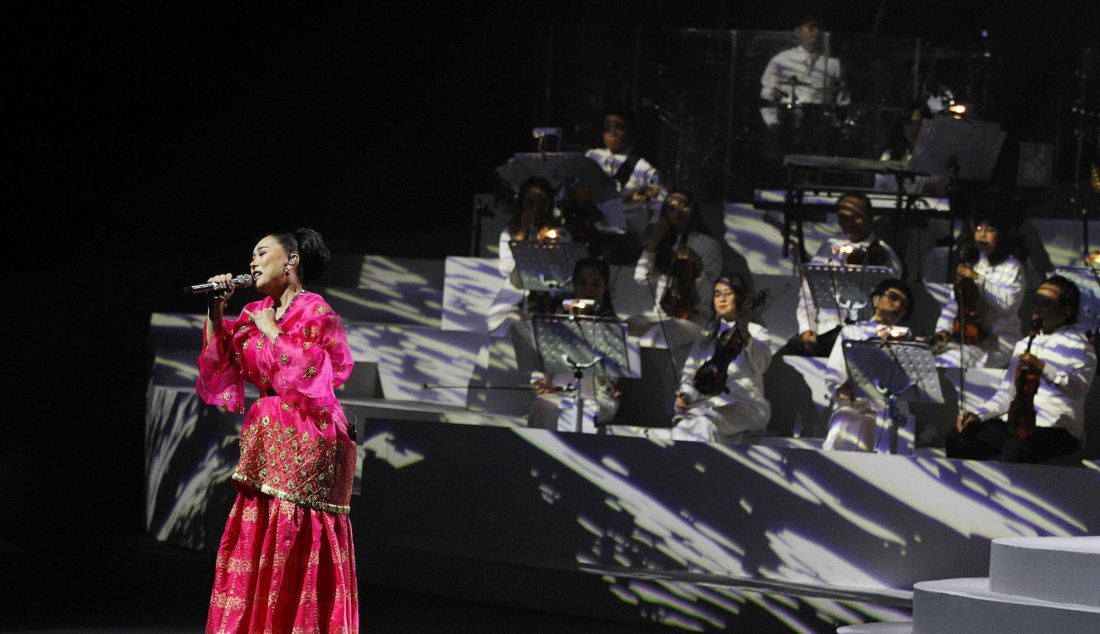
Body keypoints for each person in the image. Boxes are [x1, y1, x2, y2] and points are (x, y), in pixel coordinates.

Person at [197, 228, 358, 632]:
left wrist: (273, 330)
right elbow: (222, 364)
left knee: (293, 531)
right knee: (263, 528)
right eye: (251, 254)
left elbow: (319, 373)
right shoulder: (253, 312)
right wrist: (218, 311)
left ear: (291, 261)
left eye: (261, 252)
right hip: (269, 432)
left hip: (311, 431)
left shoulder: (316, 310)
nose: (252, 262)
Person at [948, 275, 1097, 463]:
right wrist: (979, 415)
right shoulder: (1024, 344)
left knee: (1016, 448)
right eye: (1036, 302)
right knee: (959, 436)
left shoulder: (1080, 345)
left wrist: (1043, 368)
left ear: (1066, 310)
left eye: (1046, 303)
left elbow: (1079, 387)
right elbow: (1007, 393)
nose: (1037, 309)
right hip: (1017, 424)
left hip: (1057, 429)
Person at [781, 192, 903, 357]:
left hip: (865, 334)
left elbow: (893, 305)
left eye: (856, 217)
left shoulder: (886, 254)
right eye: (843, 218)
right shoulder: (828, 248)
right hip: (827, 330)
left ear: (870, 218)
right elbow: (808, 293)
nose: (849, 224)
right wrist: (807, 329)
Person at [664, 276, 773, 443]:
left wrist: (744, 333)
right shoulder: (706, 336)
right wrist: (685, 395)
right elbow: (691, 373)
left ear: (740, 298)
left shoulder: (757, 332)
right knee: (682, 429)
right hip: (707, 405)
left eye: (728, 293)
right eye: (717, 294)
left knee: (705, 424)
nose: (721, 298)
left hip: (745, 407)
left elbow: (761, 365)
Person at [528, 257, 622, 433]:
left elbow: (613, 381)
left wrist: (603, 378)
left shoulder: (613, 326)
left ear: (605, 287)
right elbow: (543, 358)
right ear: (575, 285)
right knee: (543, 406)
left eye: (596, 284)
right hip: (558, 389)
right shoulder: (557, 321)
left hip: (596, 395)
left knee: (595, 413)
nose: (589, 289)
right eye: (583, 283)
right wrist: (541, 381)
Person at [822, 278, 915, 452]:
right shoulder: (852, 331)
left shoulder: (906, 337)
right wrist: (841, 388)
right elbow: (834, 371)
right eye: (893, 297)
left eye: (904, 304)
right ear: (876, 300)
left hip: (891, 409)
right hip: (856, 407)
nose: (898, 305)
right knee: (844, 423)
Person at [630, 190, 723, 348]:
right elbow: (641, 278)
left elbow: (709, 294)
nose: (678, 212)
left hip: (695, 318)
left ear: (693, 209)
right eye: (672, 209)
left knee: (654, 338)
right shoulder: (664, 243)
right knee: (627, 329)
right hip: (662, 313)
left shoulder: (708, 244)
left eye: (684, 206)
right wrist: (653, 243)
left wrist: (696, 264)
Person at [932, 217, 1024, 368]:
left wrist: (977, 278)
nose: (982, 235)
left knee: (955, 360)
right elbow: (954, 304)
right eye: (978, 229)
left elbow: (1007, 304)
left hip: (999, 341)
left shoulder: (1012, 266)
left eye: (989, 230)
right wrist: (942, 330)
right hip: (968, 337)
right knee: (934, 357)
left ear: (1000, 235)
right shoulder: (971, 262)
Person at [487, 176, 570, 336]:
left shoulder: (560, 234)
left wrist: (551, 246)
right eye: (530, 201)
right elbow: (506, 270)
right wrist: (523, 236)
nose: (536, 207)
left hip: (548, 301)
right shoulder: (510, 232)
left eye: (542, 202)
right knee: (507, 326)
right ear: (522, 203)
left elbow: (563, 272)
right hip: (515, 297)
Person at [758, 17, 850, 148]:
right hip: (789, 118)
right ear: (798, 32)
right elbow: (768, 93)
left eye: (819, 29)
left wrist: (838, 125)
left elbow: (842, 97)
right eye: (811, 28)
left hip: (821, 123)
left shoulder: (833, 64)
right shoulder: (782, 59)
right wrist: (773, 123)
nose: (815, 32)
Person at [585, 107, 666, 206]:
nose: (612, 133)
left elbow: (659, 195)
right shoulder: (591, 156)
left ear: (630, 132)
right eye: (608, 127)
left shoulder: (643, 169)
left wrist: (632, 198)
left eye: (619, 128)